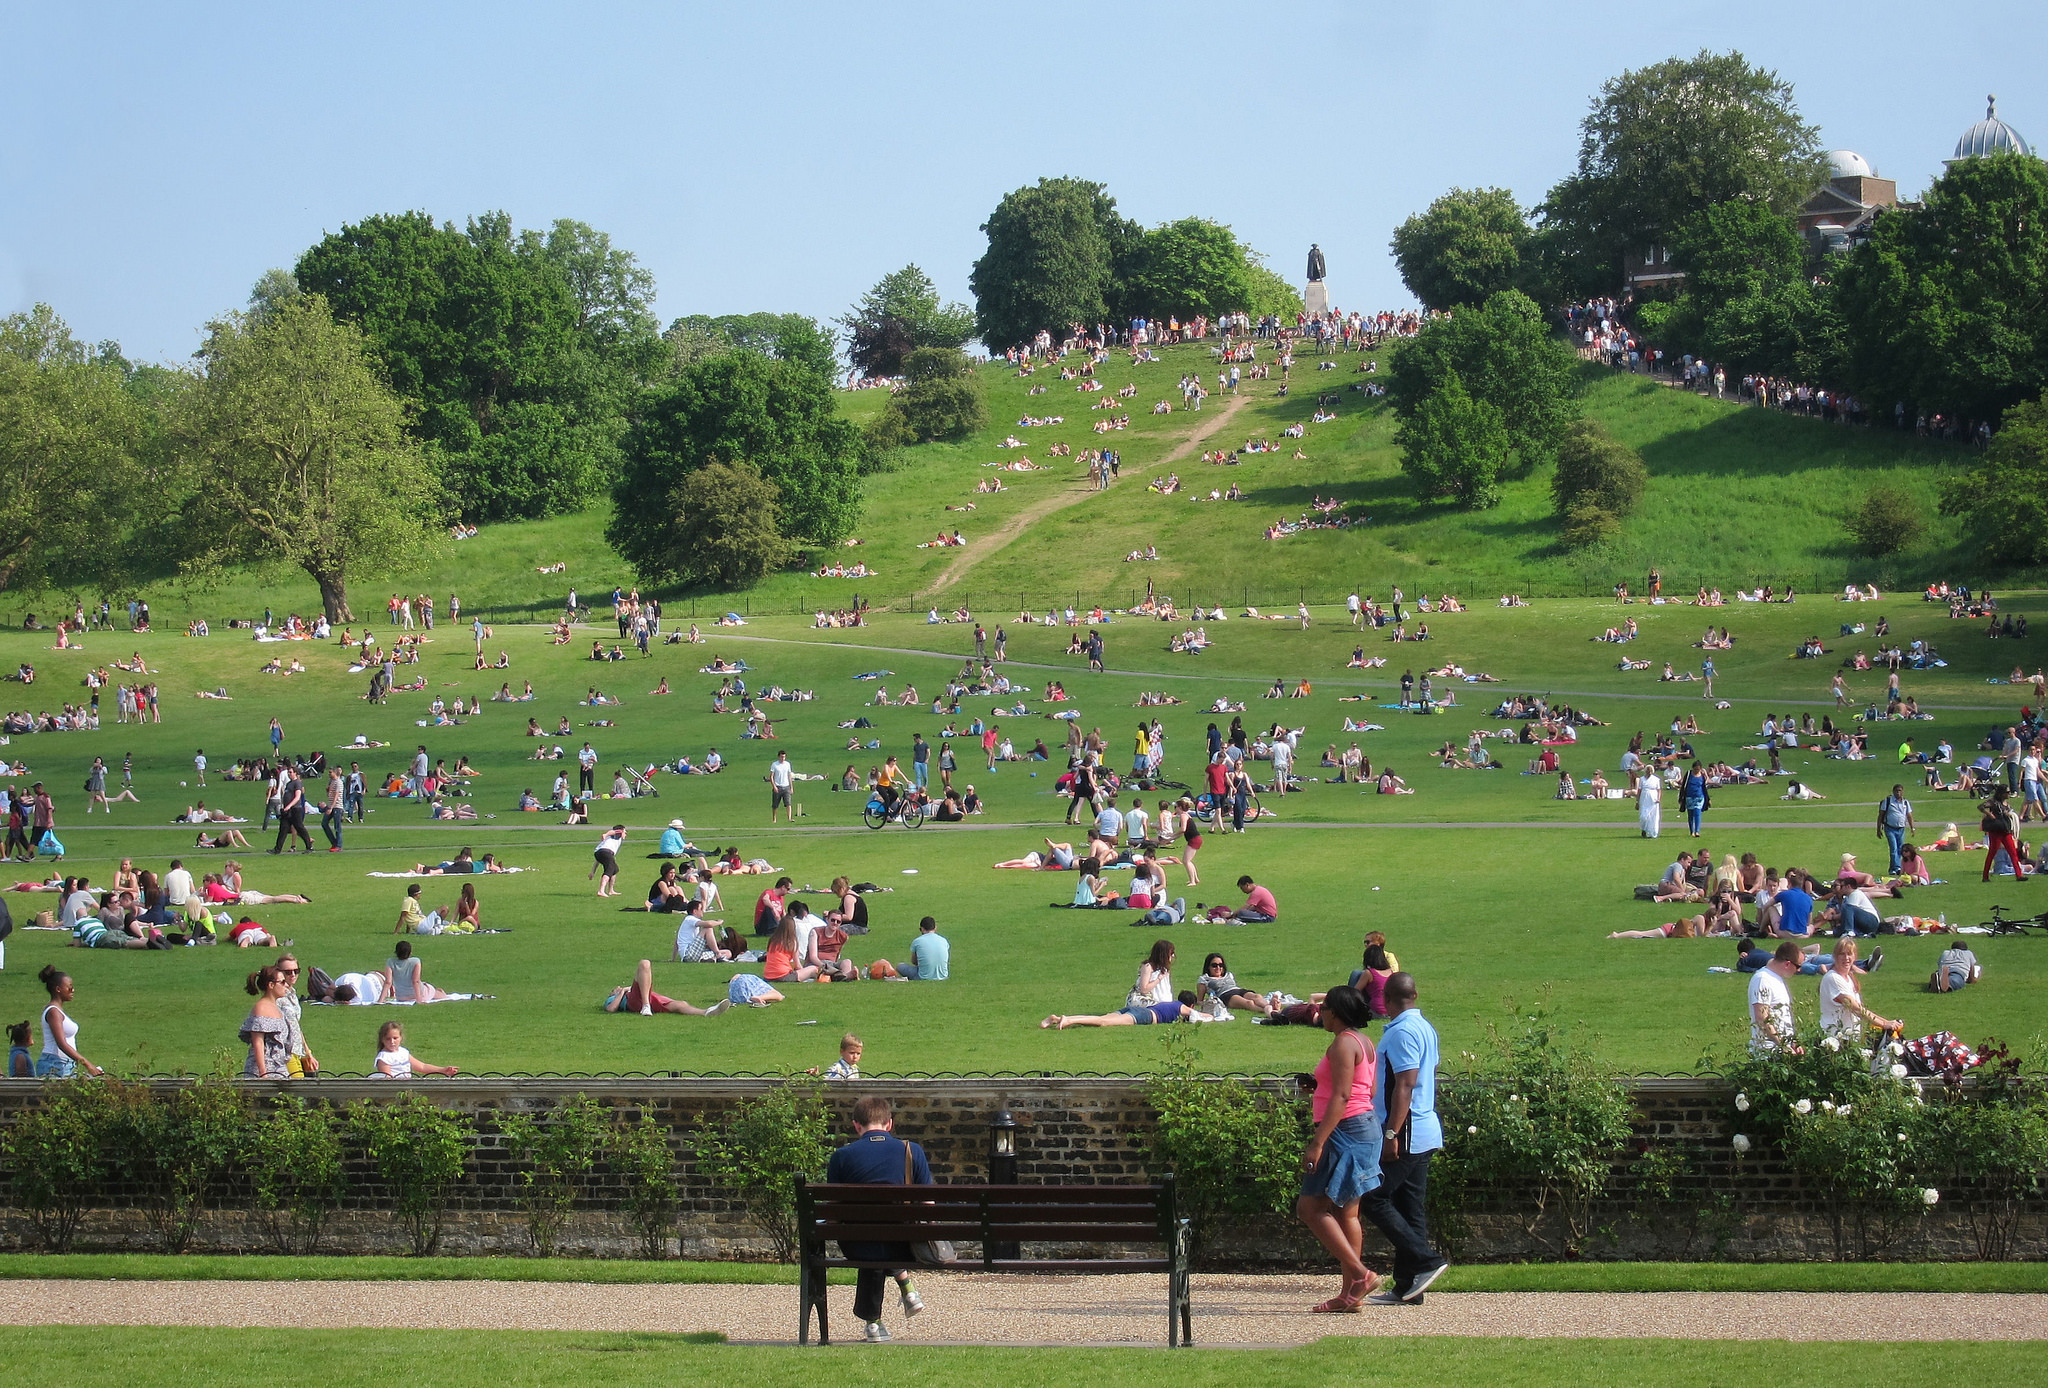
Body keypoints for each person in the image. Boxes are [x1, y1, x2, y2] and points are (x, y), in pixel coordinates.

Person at [1296, 984, 1384, 1312]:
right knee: (1348, 1211)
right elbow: (1367, 1088)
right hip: (1365, 1127)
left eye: (1325, 1008)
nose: (1321, 1013)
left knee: (1311, 1209)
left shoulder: (1343, 1044)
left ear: (1336, 1012)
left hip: (1344, 1131)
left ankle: (1360, 1275)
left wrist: (1317, 1143)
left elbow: (1343, 1096)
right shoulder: (1364, 1042)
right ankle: (1351, 1294)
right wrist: (1318, 1086)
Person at [1363, 970, 1450, 1304]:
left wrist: (1390, 1133)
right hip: (1425, 1128)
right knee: (1409, 1206)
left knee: (1374, 1198)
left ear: (1385, 1000)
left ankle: (1427, 1260)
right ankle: (1408, 1286)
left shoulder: (1401, 1033)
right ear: (1415, 995)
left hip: (1407, 1131)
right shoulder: (1424, 1028)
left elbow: (1405, 1084)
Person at [824, 1095, 929, 1342]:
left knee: (871, 1239)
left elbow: (833, 1208)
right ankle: (907, 1288)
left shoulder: (841, 1156)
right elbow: (929, 1203)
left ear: (856, 1125)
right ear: (889, 1124)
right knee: (887, 1234)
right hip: (904, 1245)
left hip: (857, 1244)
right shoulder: (911, 1150)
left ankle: (874, 1323)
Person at [1819, 939, 1900, 1039]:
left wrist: (1886, 1022)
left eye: (1849, 954)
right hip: (1836, 1038)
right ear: (1835, 956)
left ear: (1855, 956)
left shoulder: (1849, 978)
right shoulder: (1833, 978)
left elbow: (1860, 1009)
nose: (1846, 958)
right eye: (1842, 954)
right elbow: (1855, 1008)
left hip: (1849, 1037)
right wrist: (1883, 1024)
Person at [602, 959, 734, 1016]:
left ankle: (706, 1012)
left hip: (649, 998)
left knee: (679, 1004)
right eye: (614, 989)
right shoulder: (615, 997)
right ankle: (646, 1006)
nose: (616, 987)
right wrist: (622, 991)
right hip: (636, 1002)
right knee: (644, 964)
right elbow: (611, 1009)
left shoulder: (631, 992)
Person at [36, 965, 101, 1076]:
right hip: (55, 1063)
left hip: (63, 1063)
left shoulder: (57, 1011)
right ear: (58, 989)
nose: (73, 990)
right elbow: (61, 1043)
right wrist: (87, 1064)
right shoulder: (53, 1012)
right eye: (69, 987)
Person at [240, 964, 294, 1079]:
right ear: (271, 985)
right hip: (264, 1071)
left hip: (279, 1069)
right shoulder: (261, 1008)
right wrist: (263, 1074)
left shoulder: (277, 1008)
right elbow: (258, 1042)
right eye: (282, 982)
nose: (287, 985)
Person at [1749, 942, 1803, 1053]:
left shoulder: (1777, 979)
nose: (1799, 970)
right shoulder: (1762, 980)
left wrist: (1793, 1042)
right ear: (1787, 964)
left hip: (1782, 1049)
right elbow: (1762, 1018)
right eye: (1798, 966)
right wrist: (1782, 1045)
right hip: (1768, 1051)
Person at [869, 916, 949, 980]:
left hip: (923, 976)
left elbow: (914, 961)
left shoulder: (918, 941)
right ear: (935, 928)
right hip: (943, 976)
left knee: (900, 966)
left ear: (922, 929)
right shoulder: (944, 940)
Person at [373, 1020, 459, 1077]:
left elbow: (422, 1066)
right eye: (388, 1039)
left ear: (401, 1038)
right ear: (382, 1040)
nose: (392, 1042)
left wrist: (443, 1070)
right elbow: (387, 1079)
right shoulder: (384, 1057)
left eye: (395, 1038)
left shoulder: (403, 1052)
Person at [1196, 952, 1270, 1014]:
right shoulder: (1204, 979)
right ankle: (1269, 1011)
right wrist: (1210, 1002)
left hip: (1238, 990)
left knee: (1257, 997)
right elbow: (1199, 1001)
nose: (1218, 968)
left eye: (1221, 965)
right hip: (1225, 995)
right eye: (1214, 965)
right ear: (1208, 967)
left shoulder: (1228, 974)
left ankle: (1270, 1007)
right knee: (1248, 1003)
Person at [1981, 786, 2028, 883]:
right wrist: (1990, 814)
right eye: (2007, 792)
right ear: (2002, 793)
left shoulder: (2007, 804)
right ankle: (1985, 876)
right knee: (1992, 853)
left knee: (2013, 853)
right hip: (1996, 832)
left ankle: (2019, 875)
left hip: (2006, 831)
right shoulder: (1993, 802)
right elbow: (1981, 807)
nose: (2009, 794)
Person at [1878, 784, 1915, 874]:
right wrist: (1878, 829)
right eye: (1896, 791)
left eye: (1900, 791)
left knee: (1900, 849)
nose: (1898, 793)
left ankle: (1892, 869)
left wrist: (1912, 828)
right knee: (1893, 848)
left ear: (1902, 791)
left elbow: (1909, 815)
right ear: (1893, 792)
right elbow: (1881, 815)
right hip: (1890, 828)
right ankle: (1897, 867)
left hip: (1901, 828)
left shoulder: (1905, 802)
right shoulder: (1888, 801)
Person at [591, 824, 625, 897]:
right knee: (609, 870)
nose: (626, 833)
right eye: (625, 831)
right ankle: (601, 891)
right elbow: (614, 832)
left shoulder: (610, 840)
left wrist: (592, 872)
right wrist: (605, 834)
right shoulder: (616, 835)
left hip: (599, 853)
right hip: (606, 852)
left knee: (615, 869)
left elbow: (597, 860)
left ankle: (611, 890)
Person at [768, 750, 795, 822]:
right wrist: (774, 786)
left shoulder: (787, 764)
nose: (783, 758)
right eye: (781, 757)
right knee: (775, 805)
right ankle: (774, 819)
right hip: (778, 786)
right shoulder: (774, 764)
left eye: (784, 757)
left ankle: (789, 818)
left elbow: (789, 776)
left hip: (786, 786)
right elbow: (771, 777)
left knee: (788, 803)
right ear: (779, 757)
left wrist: (791, 787)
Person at [1637, 769, 1662, 838]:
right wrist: (1637, 801)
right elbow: (1639, 790)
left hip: (1653, 799)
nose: (1649, 772)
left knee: (1652, 816)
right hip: (1644, 798)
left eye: (1651, 771)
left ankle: (1652, 832)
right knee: (1643, 816)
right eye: (1648, 771)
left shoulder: (1656, 779)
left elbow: (1659, 790)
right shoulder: (1642, 779)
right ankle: (1644, 829)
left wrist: (1658, 798)